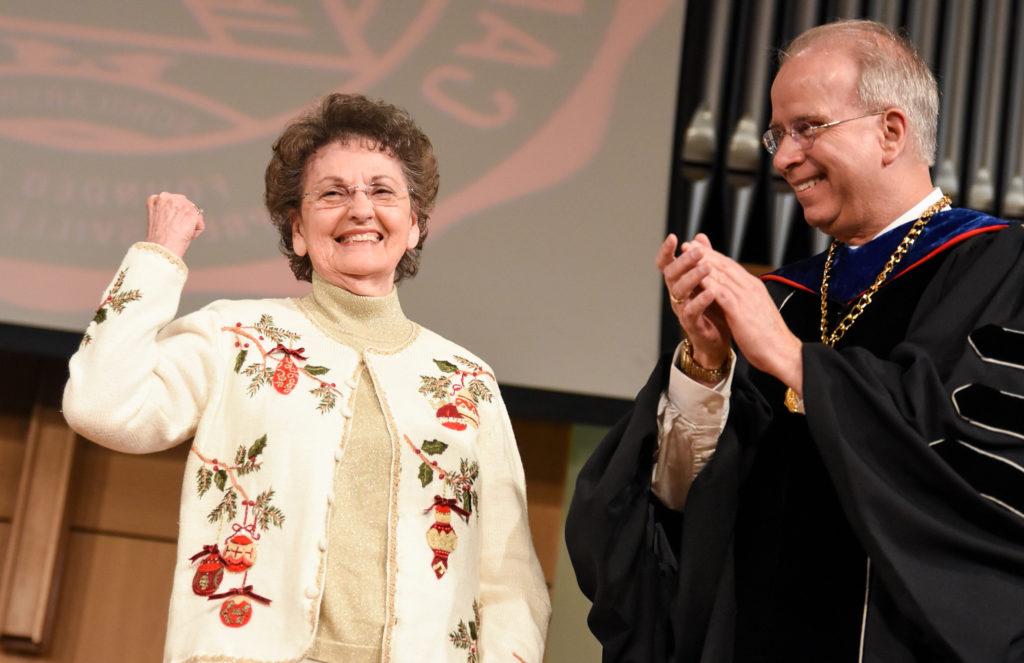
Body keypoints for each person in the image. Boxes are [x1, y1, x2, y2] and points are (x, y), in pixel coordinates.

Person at [566, 19, 1024, 663]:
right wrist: (705, 365)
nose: (781, 158)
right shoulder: (783, 295)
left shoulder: (1004, 271)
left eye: (808, 128)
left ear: (890, 131)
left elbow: (977, 474)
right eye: (777, 134)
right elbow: (672, 508)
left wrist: (789, 359)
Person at [63, 93, 550, 663]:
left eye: (383, 191)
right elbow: (100, 406)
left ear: (414, 226)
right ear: (297, 231)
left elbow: (508, 579)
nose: (360, 209)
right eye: (333, 193)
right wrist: (158, 254)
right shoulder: (235, 337)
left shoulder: (466, 381)